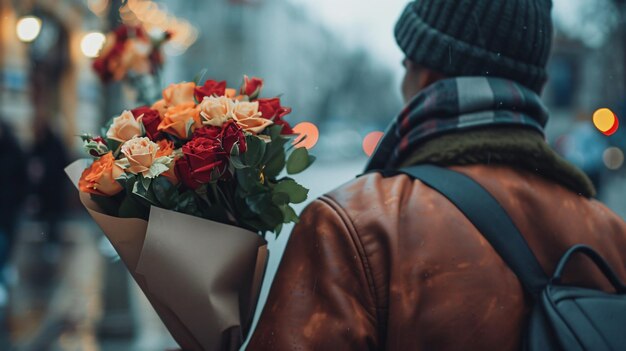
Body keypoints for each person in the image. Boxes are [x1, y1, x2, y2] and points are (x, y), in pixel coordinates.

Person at [248, 0, 626, 350]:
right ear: (533, 80)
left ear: (423, 71)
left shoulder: (351, 227)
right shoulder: (611, 234)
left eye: (404, 66)